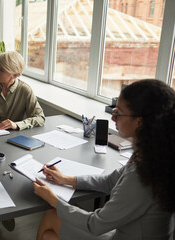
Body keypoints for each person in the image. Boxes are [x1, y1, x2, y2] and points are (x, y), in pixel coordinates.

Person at [33, 79, 175, 240]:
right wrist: (67, 179)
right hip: (125, 234)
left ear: (140, 121)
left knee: (52, 215)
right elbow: (111, 181)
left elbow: (95, 224)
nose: (113, 118)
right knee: (48, 236)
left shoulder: (145, 175)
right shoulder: (156, 154)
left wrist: (53, 200)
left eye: (118, 113)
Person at [0, 51, 45, 130]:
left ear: (15, 75)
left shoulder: (25, 90)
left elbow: (40, 117)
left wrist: (17, 125)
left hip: (14, 136)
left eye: (2, 70)